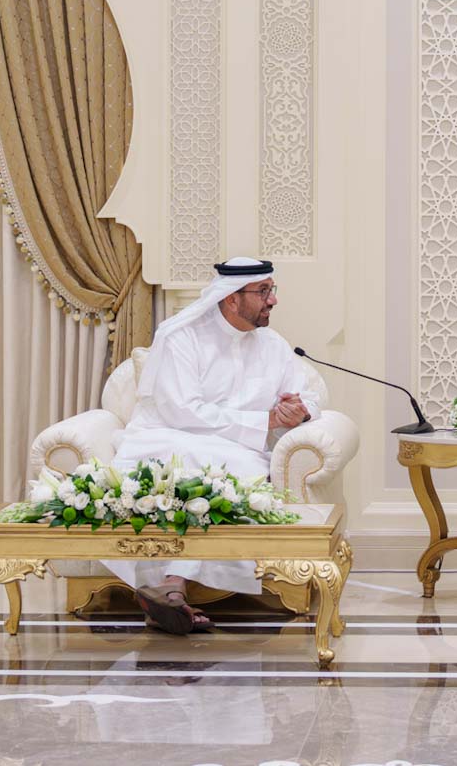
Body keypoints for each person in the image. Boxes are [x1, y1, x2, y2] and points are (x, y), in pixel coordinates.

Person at [102, 257, 317, 633]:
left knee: (233, 469)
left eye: (271, 290)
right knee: (192, 465)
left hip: (236, 447)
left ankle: (170, 586)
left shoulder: (274, 345)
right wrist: (264, 421)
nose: (273, 300)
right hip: (167, 436)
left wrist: (299, 412)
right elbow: (183, 411)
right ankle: (170, 585)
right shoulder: (181, 337)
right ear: (232, 298)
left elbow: (307, 395)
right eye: (263, 291)